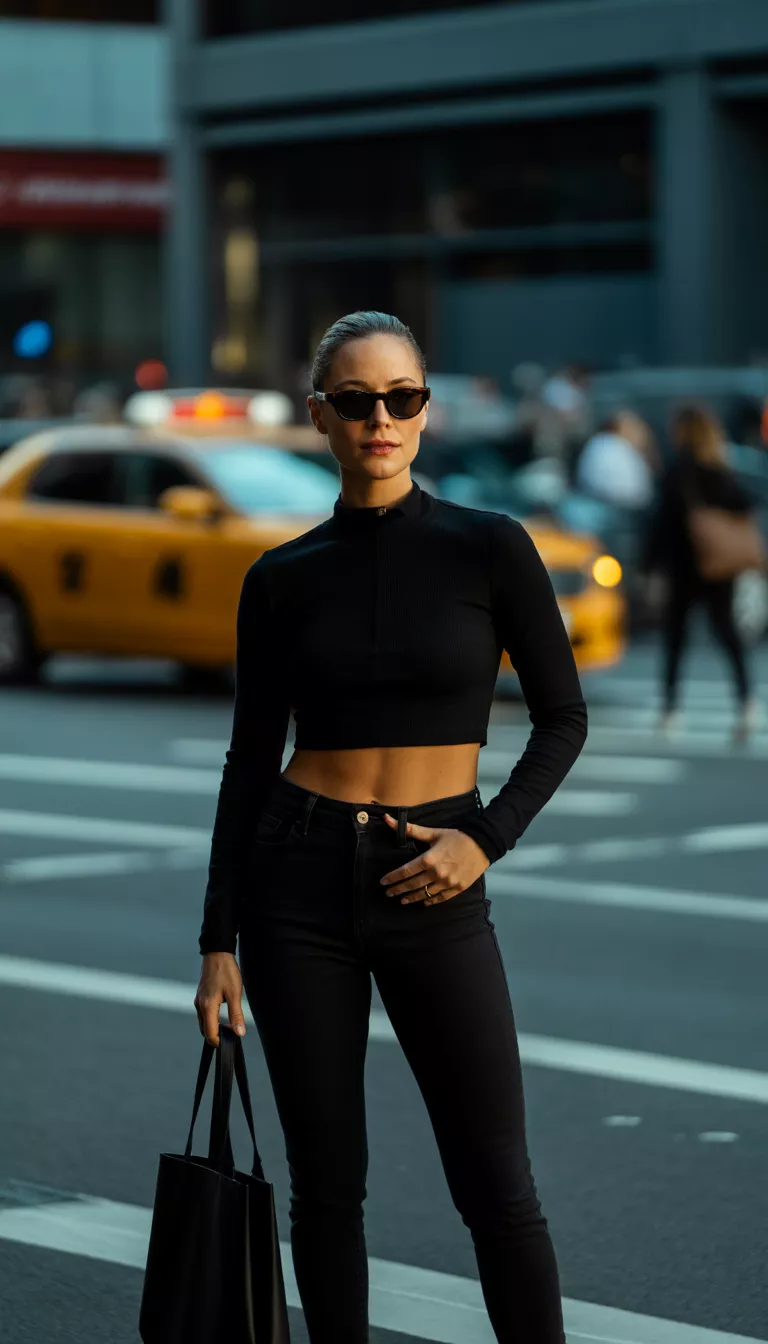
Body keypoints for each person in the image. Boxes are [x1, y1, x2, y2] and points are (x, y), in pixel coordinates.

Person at [194, 310, 588, 1343]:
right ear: (321, 414)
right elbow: (249, 760)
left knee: (497, 1185)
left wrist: (483, 838)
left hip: (441, 881)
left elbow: (564, 715)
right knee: (326, 1190)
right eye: (358, 401)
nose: (381, 418)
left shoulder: (489, 548)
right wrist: (216, 939)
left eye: (401, 398)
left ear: (426, 412)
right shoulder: (279, 577)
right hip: (297, 883)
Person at [641, 403, 761, 741]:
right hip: (719, 566)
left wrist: (650, 567)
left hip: (684, 566)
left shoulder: (678, 470)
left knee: (676, 639)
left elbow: (661, 525)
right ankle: (746, 703)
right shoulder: (721, 469)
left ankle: (670, 710)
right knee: (728, 634)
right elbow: (746, 505)